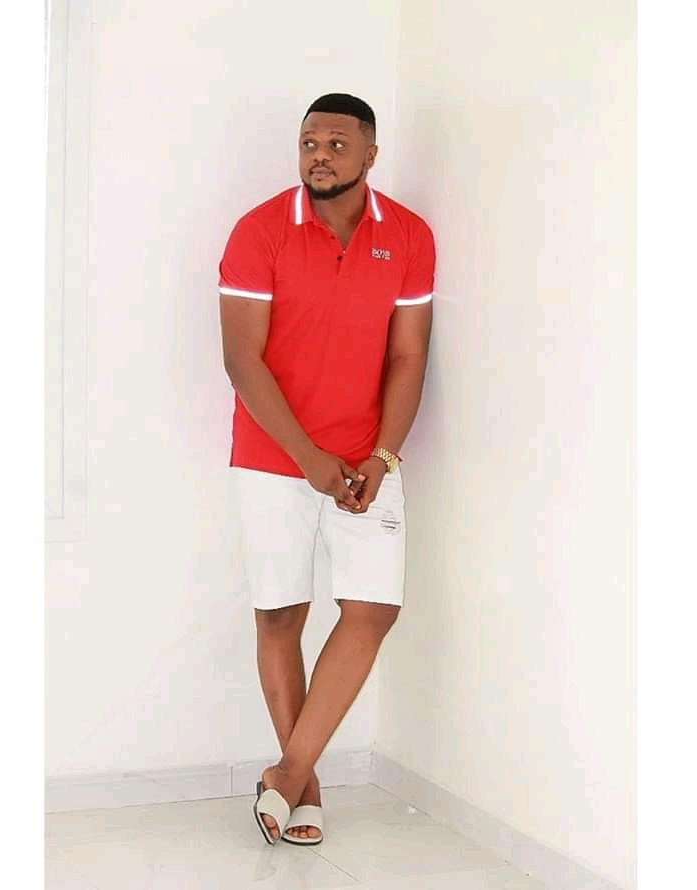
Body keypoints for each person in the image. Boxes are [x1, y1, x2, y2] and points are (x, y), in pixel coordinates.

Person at [218, 93, 435, 846]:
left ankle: (285, 774)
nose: (320, 155)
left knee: (372, 610)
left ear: (371, 154)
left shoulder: (408, 235)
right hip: (275, 456)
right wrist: (308, 458)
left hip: (368, 458)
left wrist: (383, 455)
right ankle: (304, 786)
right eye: (310, 142)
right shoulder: (259, 230)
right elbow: (242, 360)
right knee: (281, 614)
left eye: (338, 144)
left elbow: (409, 355)